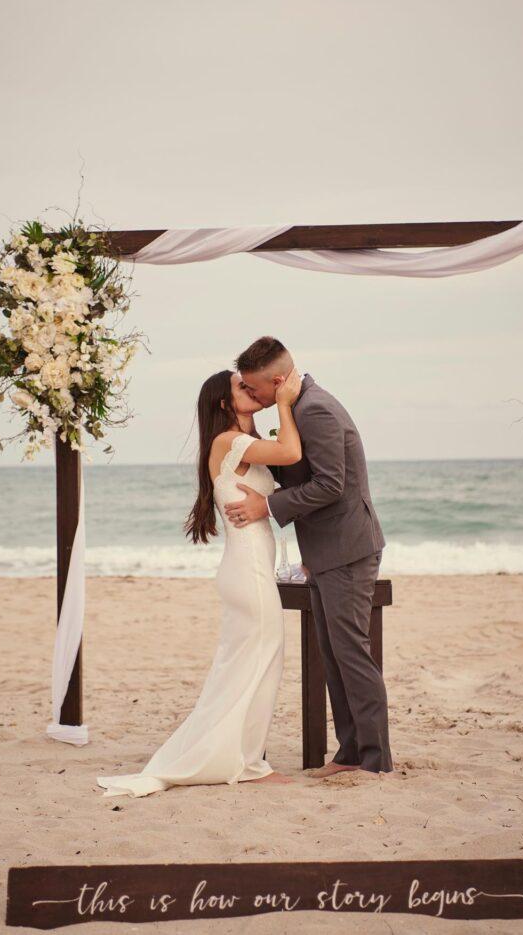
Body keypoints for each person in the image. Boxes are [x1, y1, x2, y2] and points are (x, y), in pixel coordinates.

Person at [96, 365, 304, 798]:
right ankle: (248, 764)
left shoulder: (239, 441)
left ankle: (245, 758)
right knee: (260, 663)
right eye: (240, 386)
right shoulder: (229, 441)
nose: (249, 388)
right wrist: (284, 402)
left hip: (247, 567)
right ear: (225, 402)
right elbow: (290, 453)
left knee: (249, 665)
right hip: (246, 569)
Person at [225, 336, 395, 779]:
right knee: (334, 655)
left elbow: (330, 484)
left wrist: (269, 506)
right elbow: (299, 468)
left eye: (256, 389)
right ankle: (350, 753)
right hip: (326, 551)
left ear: (278, 382)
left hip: (347, 549)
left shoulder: (314, 410)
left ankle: (374, 760)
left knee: (351, 655)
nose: (255, 397)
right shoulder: (298, 408)